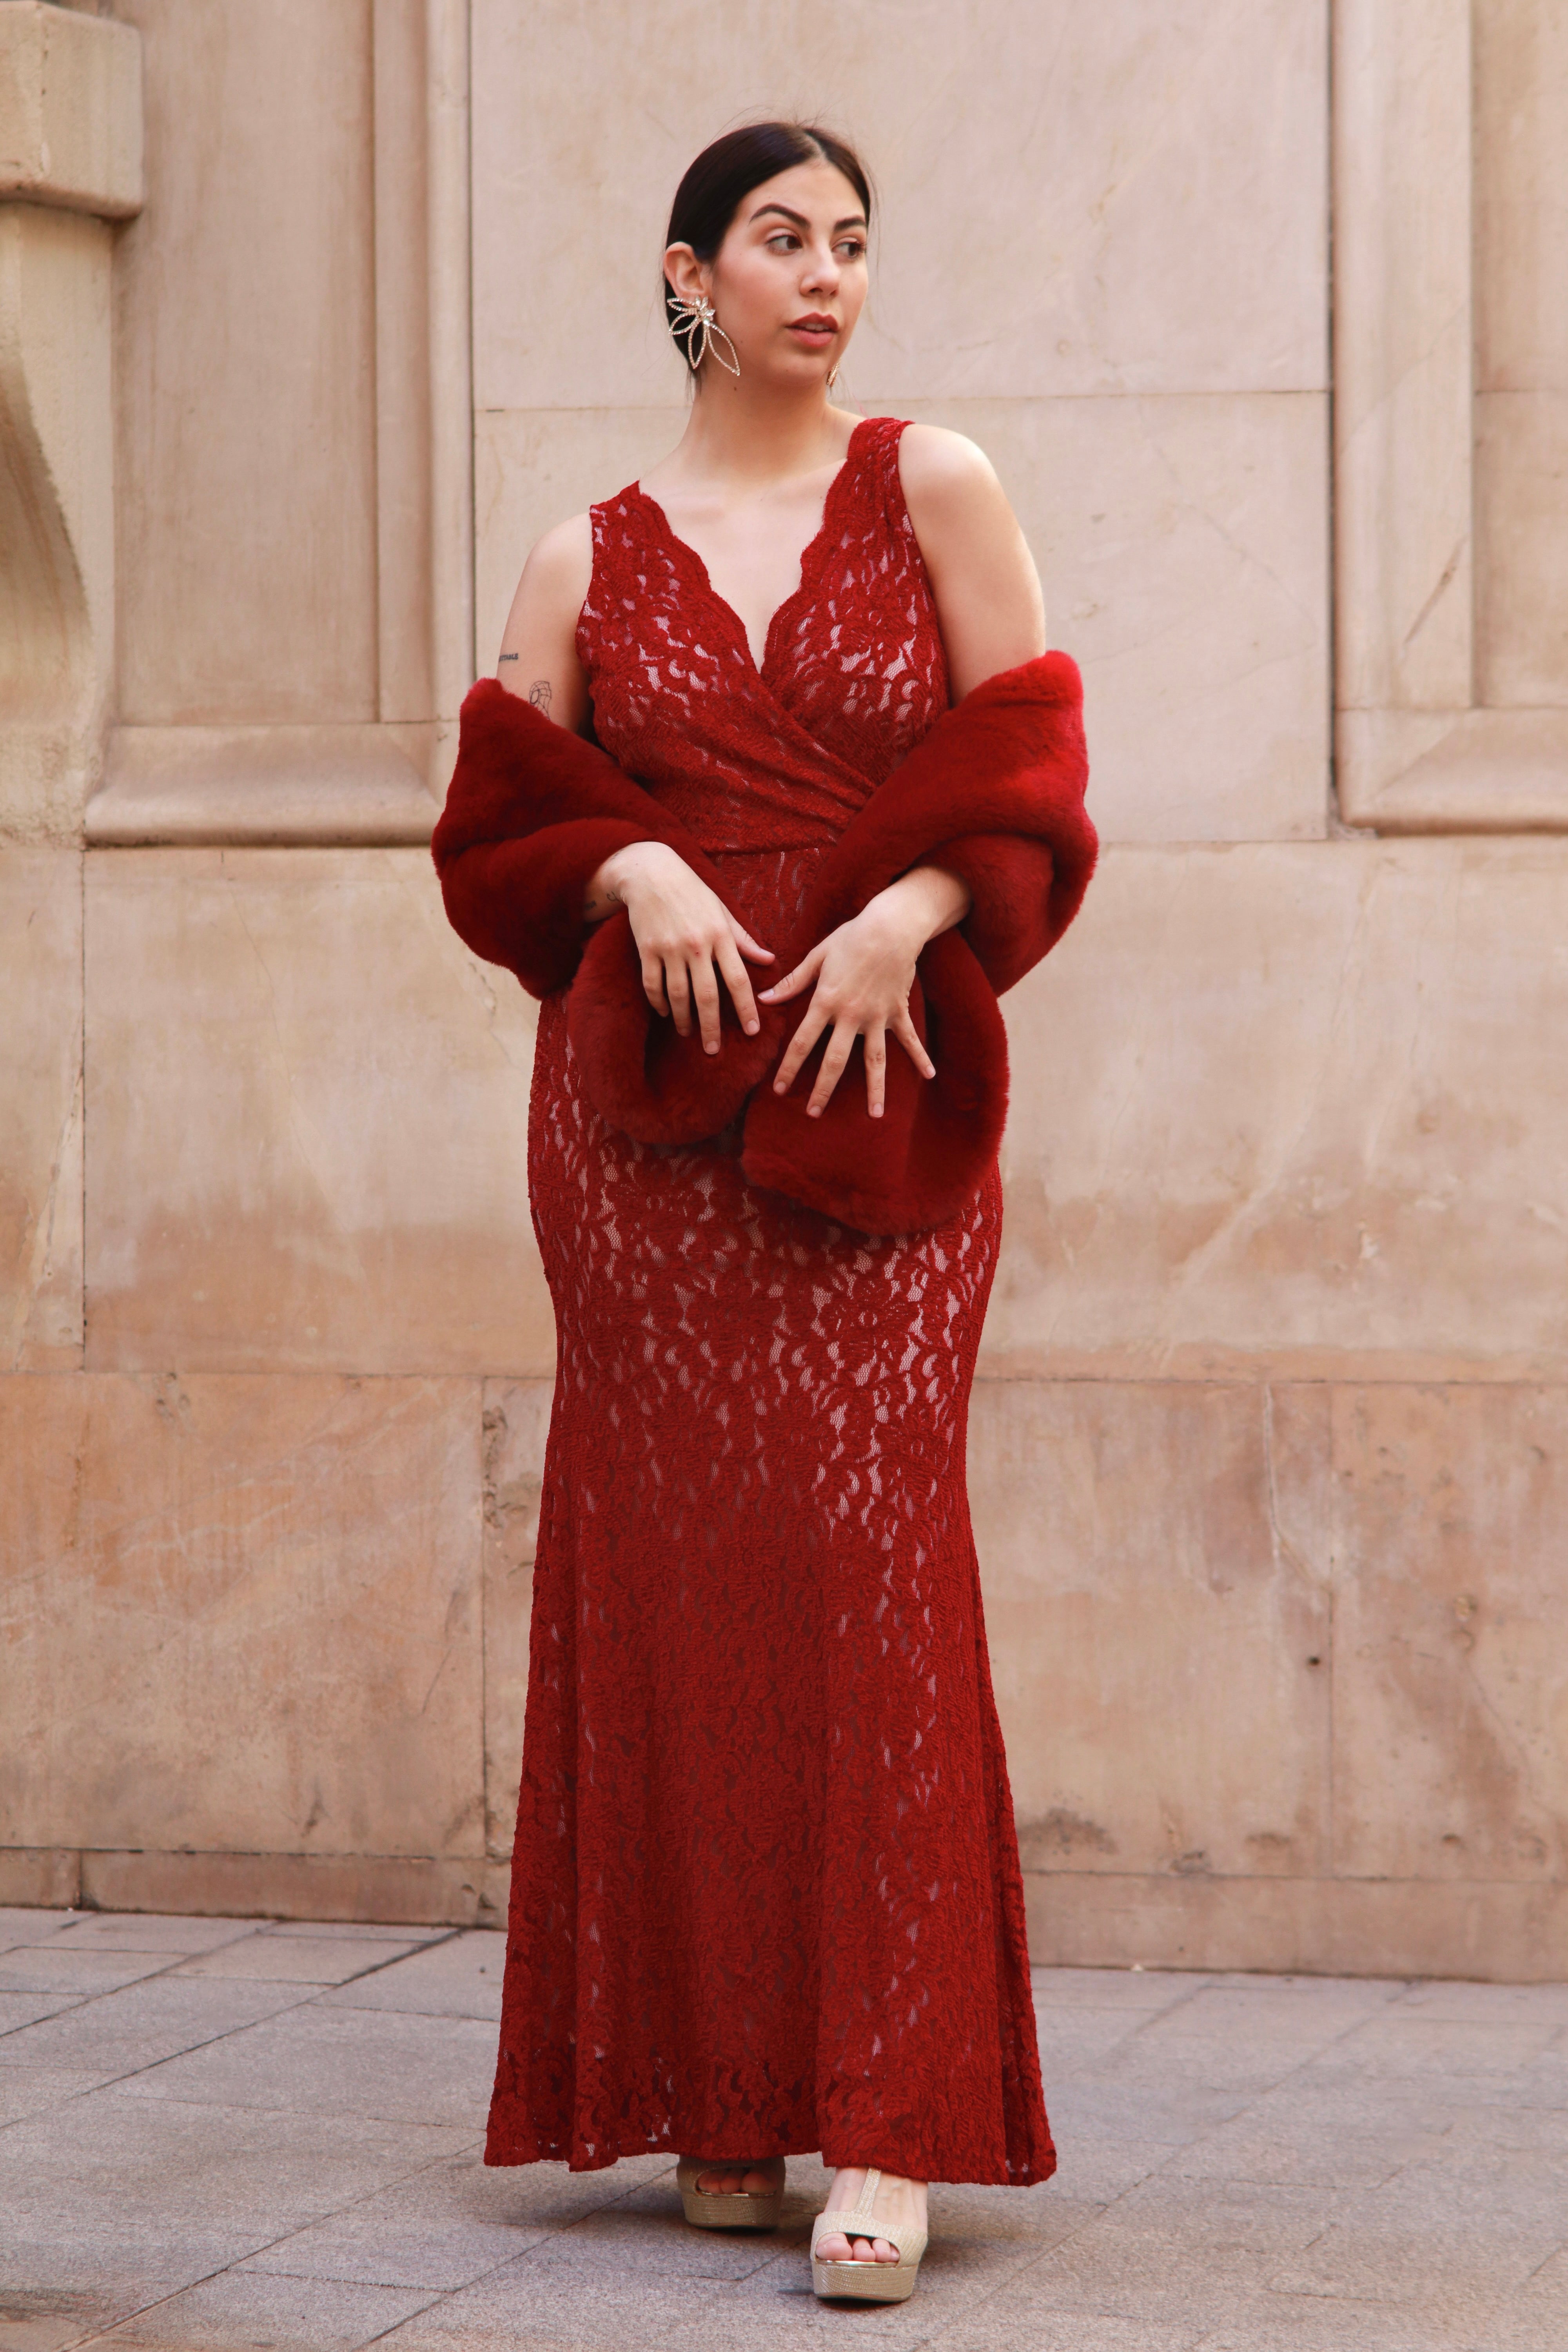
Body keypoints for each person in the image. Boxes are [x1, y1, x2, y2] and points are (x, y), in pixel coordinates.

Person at [434, 120, 1094, 2307]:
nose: (828, 278)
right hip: (640, 1161)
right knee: (673, 1588)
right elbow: (495, 825)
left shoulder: (934, 489)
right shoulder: (582, 554)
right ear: (687, 274)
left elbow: (1034, 766)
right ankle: (720, 2093)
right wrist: (629, 861)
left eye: (854, 245)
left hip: (880, 1117)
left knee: (873, 1580)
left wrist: (913, 910)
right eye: (784, 241)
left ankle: (889, 2120)